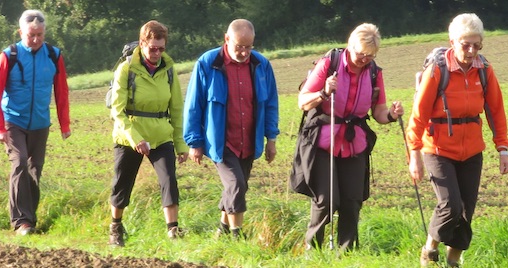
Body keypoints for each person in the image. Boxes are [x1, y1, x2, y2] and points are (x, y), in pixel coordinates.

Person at [406, 13, 508, 267]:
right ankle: (430, 248)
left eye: (477, 44)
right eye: (466, 44)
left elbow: (496, 110)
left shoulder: (485, 70)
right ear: (453, 42)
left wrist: (503, 147)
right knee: (450, 205)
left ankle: (453, 262)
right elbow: (418, 116)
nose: (472, 50)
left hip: (472, 150)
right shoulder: (437, 71)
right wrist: (415, 155)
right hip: (438, 149)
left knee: (466, 212)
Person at [297, 23, 403, 250]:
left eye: (370, 56)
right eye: (360, 54)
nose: (364, 59)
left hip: (354, 142)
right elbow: (303, 101)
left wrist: (392, 115)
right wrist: (324, 92)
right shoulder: (330, 64)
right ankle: (313, 249)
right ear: (349, 46)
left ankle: (347, 253)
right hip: (323, 142)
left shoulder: (374, 72)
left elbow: (378, 113)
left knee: (352, 201)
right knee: (326, 200)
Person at [183, 19, 279, 239]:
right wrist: (194, 142)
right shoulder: (208, 63)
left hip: (249, 140)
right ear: (226, 39)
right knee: (235, 184)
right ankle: (237, 235)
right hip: (221, 141)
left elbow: (271, 103)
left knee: (239, 186)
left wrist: (271, 139)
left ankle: (222, 230)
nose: (244, 52)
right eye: (239, 46)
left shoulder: (262, 65)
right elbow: (193, 105)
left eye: (248, 47)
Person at [0, 10, 72, 236]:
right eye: (30, 35)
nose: (35, 39)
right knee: (19, 162)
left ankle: (30, 218)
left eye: (40, 35)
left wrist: (65, 124)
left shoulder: (54, 55)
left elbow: (62, 91)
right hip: (13, 120)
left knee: (35, 170)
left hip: (40, 123)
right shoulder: (9, 55)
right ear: (20, 32)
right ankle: (20, 221)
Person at [107, 20, 188, 246]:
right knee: (122, 183)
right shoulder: (126, 69)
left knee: (169, 180)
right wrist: (136, 139)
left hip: (160, 134)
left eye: (161, 48)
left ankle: (173, 231)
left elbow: (177, 109)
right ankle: (115, 227)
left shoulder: (169, 70)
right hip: (129, 135)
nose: (157, 53)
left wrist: (180, 145)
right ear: (142, 43)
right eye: (153, 48)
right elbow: (117, 111)